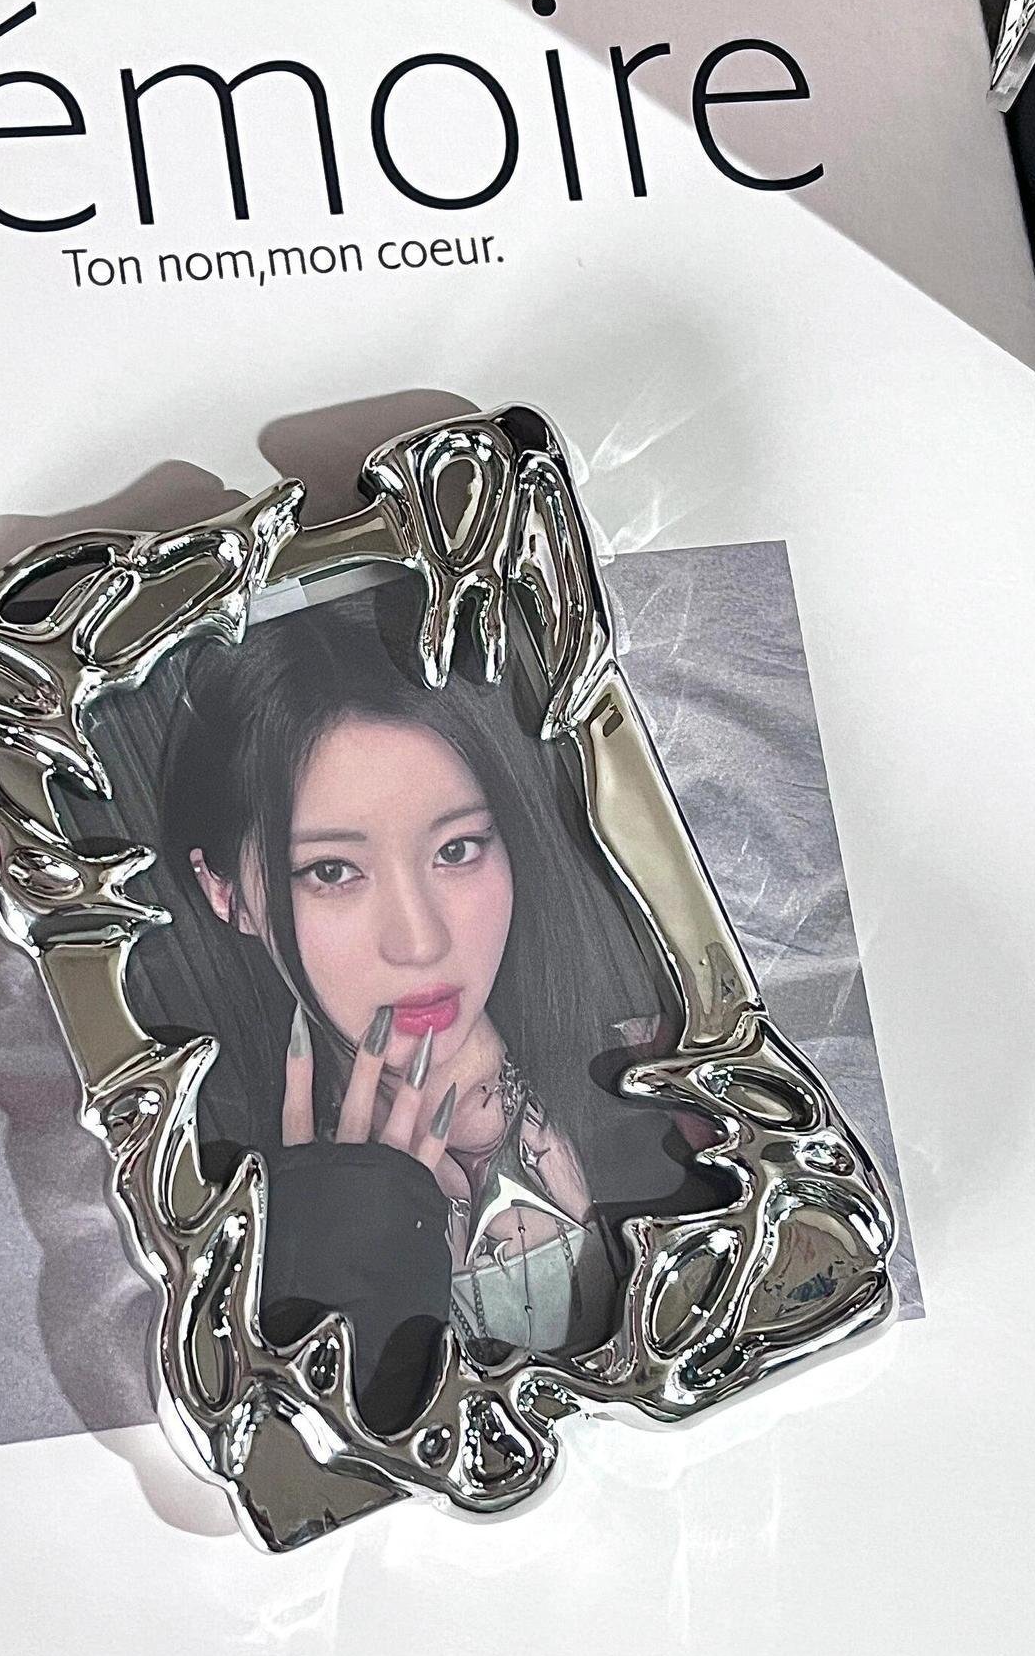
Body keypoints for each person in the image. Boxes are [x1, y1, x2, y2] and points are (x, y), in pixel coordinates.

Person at [152, 577, 685, 1432]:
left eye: (458, 849)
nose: (420, 941)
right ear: (226, 891)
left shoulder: (665, 1076)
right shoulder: (206, 1198)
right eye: (332, 871)